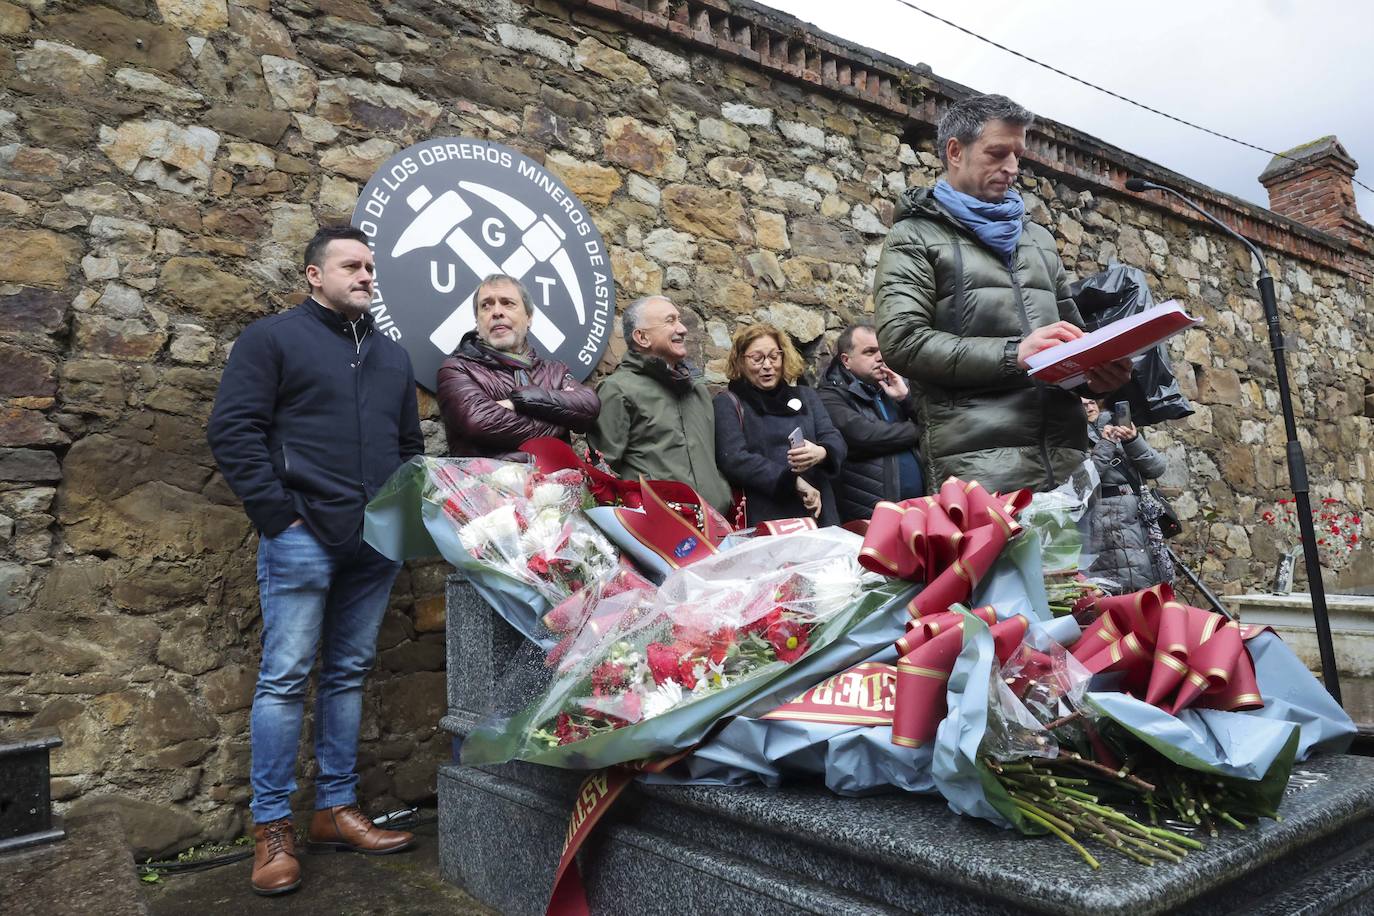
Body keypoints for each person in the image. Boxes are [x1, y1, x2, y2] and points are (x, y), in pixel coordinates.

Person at [207, 226, 421, 897]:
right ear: (313, 276)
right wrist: (278, 515)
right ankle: (272, 828)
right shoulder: (271, 340)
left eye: (370, 267)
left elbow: (410, 448)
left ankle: (335, 808)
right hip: (301, 533)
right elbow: (232, 428)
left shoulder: (392, 357)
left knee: (349, 673)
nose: (365, 276)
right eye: (351, 266)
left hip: (374, 543)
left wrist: (398, 520)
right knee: (285, 676)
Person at [873, 93, 1131, 494]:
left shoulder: (1038, 240)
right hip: (982, 479)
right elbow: (902, 342)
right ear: (955, 152)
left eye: (1017, 155)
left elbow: (1071, 342)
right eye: (997, 153)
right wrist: (1015, 355)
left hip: (1069, 471)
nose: (1011, 168)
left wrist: (1097, 378)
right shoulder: (914, 236)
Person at [589, 296, 732, 515]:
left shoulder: (697, 391)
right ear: (642, 337)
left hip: (716, 528)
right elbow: (605, 474)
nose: (682, 329)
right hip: (658, 533)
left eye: (679, 320)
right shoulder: (617, 390)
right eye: (670, 321)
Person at [436, 273, 599, 459]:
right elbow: (480, 422)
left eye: (507, 303)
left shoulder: (555, 371)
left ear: (529, 318)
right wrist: (562, 418)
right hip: (488, 486)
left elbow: (589, 406)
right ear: (477, 322)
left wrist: (521, 401)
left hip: (556, 487)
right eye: (486, 306)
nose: (496, 312)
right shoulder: (456, 370)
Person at [714, 324, 846, 526]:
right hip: (768, 514)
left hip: (819, 512)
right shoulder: (730, 402)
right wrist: (791, 481)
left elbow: (834, 438)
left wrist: (822, 452)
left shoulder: (807, 396)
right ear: (740, 361)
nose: (767, 365)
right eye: (757, 359)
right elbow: (734, 459)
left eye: (774, 356)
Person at [819, 323, 925, 521]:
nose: (880, 358)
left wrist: (905, 398)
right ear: (846, 360)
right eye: (869, 352)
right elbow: (865, 435)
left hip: (916, 511)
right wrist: (921, 431)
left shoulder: (891, 390)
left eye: (882, 351)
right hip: (871, 516)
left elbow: (935, 426)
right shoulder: (829, 397)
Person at [1081, 398, 1175, 592]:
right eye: (1082, 405)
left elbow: (1157, 468)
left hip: (1140, 511)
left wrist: (1132, 440)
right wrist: (1106, 444)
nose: (1090, 408)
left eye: (1091, 402)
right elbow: (1083, 482)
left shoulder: (1116, 422)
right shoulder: (1071, 438)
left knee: (1152, 573)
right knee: (1123, 576)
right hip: (1106, 515)